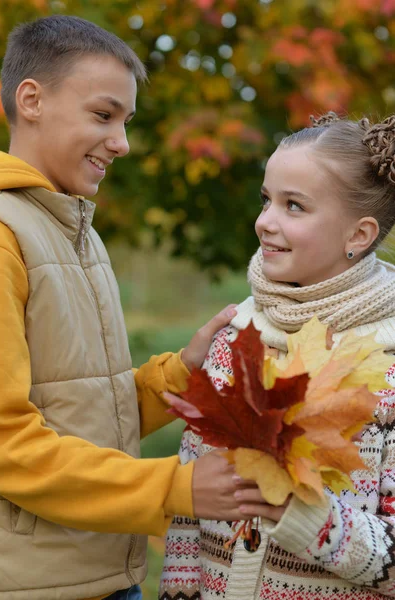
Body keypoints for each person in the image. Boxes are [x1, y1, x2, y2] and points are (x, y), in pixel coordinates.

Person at [0, 14, 266, 600]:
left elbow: (80, 409)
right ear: (32, 99)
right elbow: (7, 447)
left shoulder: (76, 232)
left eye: (126, 121)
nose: (122, 142)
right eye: (103, 115)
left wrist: (180, 372)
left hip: (105, 574)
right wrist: (177, 486)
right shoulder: (3, 236)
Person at [159, 112, 395, 600]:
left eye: (294, 206)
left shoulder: (386, 368)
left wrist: (309, 519)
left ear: (359, 235)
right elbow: (188, 516)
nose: (265, 222)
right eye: (267, 200)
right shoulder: (234, 339)